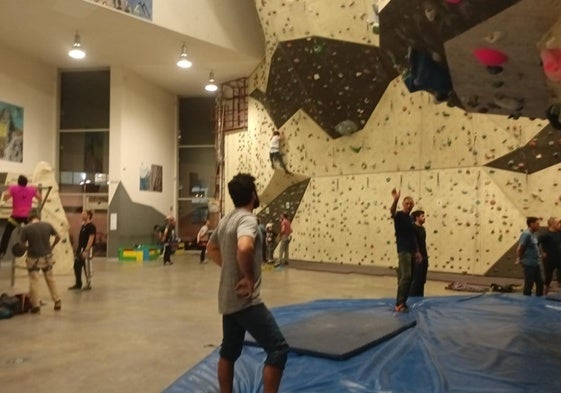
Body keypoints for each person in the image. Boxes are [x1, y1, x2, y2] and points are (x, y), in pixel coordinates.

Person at [206, 173, 288, 393]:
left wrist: (230, 268)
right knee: (278, 349)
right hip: (245, 301)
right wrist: (248, 277)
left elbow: (210, 249)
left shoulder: (226, 219)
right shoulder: (247, 219)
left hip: (228, 298)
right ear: (252, 194)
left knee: (229, 351)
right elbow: (245, 247)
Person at [18, 210, 62, 313]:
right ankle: (57, 301)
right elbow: (58, 237)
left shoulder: (26, 228)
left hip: (33, 258)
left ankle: (36, 305)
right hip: (47, 257)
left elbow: (21, 245)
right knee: (50, 279)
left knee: (34, 281)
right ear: (38, 217)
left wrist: (27, 248)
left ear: (29, 218)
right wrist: (52, 246)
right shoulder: (47, 225)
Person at [390, 188, 421, 312]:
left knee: (410, 277)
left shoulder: (410, 219)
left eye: (411, 204)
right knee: (406, 276)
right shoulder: (399, 216)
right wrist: (395, 200)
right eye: (407, 203)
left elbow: (413, 237)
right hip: (403, 250)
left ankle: (403, 301)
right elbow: (392, 212)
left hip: (412, 251)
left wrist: (417, 252)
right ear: (403, 204)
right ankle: (399, 303)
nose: (409, 205)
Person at [0, 175, 42, 260]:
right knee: (33, 233)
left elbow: (5, 198)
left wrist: (8, 191)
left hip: (16, 217)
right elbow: (40, 198)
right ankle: (36, 252)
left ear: (18, 182)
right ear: (26, 183)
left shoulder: (13, 188)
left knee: (7, 233)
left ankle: (2, 252)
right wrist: (36, 190)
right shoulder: (31, 189)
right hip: (27, 217)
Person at [69, 210, 96, 290]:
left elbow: (91, 239)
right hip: (80, 249)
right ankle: (78, 284)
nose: (81, 215)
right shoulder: (83, 226)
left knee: (86, 267)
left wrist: (86, 250)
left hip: (87, 250)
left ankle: (88, 284)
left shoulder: (91, 226)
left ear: (88, 216)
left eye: (84, 214)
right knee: (76, 265)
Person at [517, 216, 543, 297]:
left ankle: (539, 301)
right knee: (529, 284)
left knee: (540, 283)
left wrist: (540, 254)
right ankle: (527, 302)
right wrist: (520, 258)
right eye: (537, 224)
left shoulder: (533, 234)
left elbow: (534, 247)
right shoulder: (526, 234)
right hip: (529, 263)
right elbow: (520, 248)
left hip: (535, 263)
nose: (539, 225)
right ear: (531, 224)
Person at [538, 217, 561, 295]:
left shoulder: (559, 233)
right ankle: (544, 292)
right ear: (552, 224)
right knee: (548, 277)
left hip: (559, 258)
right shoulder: (545, 234)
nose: (559, 224)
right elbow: (536, 243)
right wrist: (541, 252)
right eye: (557, 223)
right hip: (549, 259)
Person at [409, 210, 428, 297]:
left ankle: (420, 296)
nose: (424, 218)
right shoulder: (413, 228)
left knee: (422, 279)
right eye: (422, 216)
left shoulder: (423, 229)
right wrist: (417, 254)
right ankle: (412, 297)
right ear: (417, 217)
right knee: (416, 278)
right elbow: (414, 242)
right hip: (417, 256)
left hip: (424, 255)